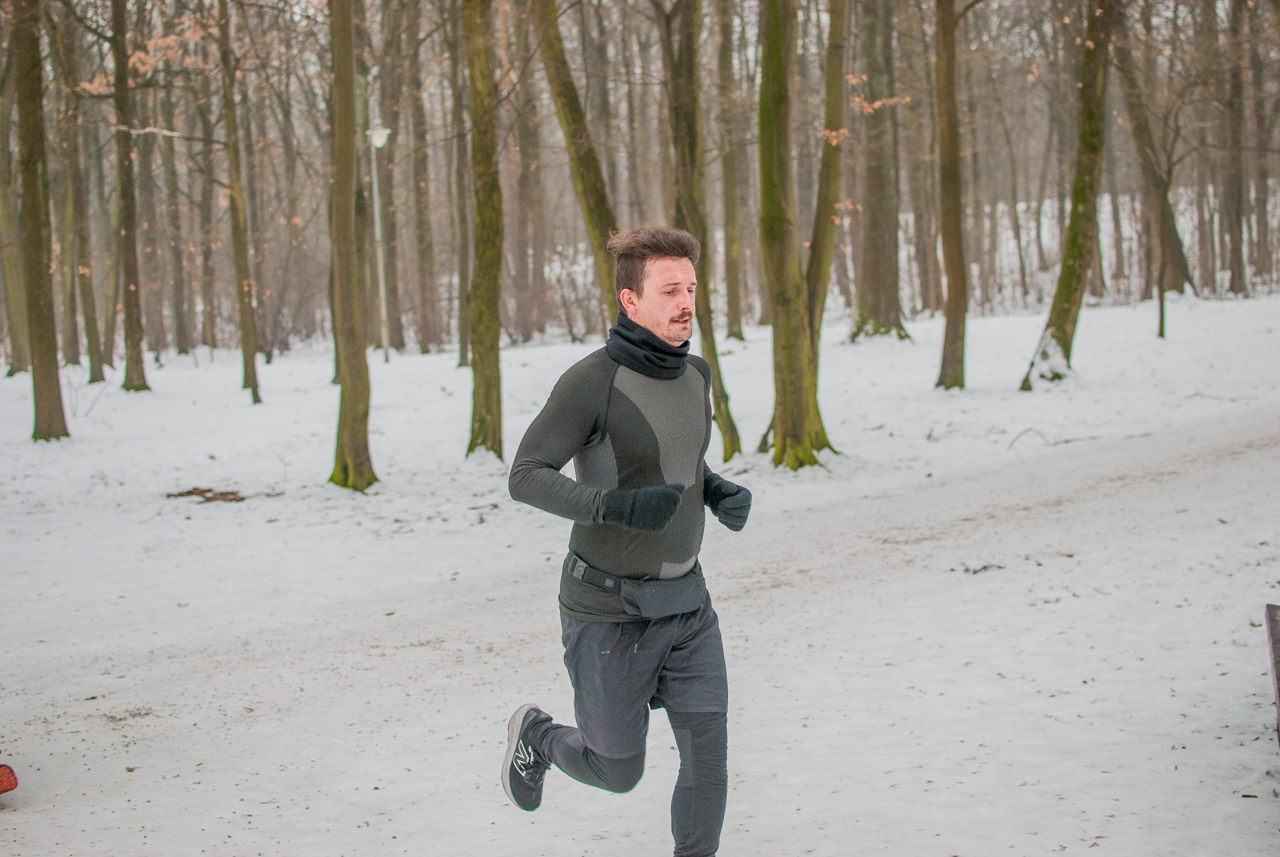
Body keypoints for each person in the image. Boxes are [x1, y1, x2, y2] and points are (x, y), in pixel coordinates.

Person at [502, 226, 752, 857]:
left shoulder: (697, 375)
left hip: (688, 607)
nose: (686, 301)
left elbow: (675, 464)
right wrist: (611, 507)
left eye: (691, 286)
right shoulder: (591, 381)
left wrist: (714, 490)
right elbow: (525, 475)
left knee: (708, 766)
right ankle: (538, 735)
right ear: (630, 301)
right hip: (608, 612)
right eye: (670, 289)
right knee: (618, 770)